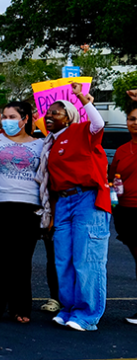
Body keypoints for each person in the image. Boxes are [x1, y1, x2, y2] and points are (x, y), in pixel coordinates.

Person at [41, 86, 111, 332]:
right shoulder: (50, 142)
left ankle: (88, 314)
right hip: (64, 201)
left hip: (87, 199)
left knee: (87, 258)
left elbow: (98, 123)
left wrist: (83, 100)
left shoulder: (82, 130)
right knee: (64, 259)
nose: (48, 116)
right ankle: (69, 308)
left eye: (55, 112)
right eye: (47, 112)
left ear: (69, 116)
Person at [0, 101, 44, 324]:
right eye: (4, 116)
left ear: (25, 119)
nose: (6, 121)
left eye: (12, 117)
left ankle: (20, 308)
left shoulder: (40, 144)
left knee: (21, 259)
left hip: (28, 206)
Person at [109, 95, 137, 325]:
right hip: (125, 211)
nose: (134, 122)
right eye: (131, 119)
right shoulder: (121, 150)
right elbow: (113, 179)